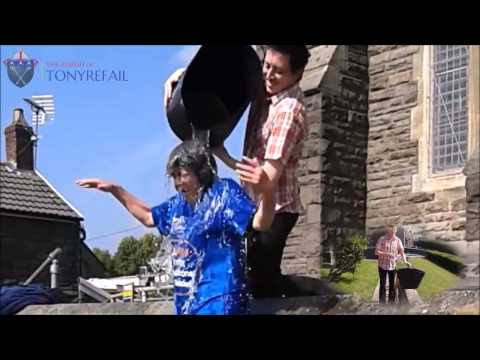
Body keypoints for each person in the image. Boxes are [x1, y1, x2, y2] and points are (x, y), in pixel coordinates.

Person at [164, 45, 311, 298]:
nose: (268, 75)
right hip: (254, 202)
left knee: (262, 283)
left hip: (277, 208)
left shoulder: (289, 112)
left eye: (278, 71)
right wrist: (178, 77)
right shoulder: (266, 89)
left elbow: (266, 178)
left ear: (296, 75)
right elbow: (221, 74)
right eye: (266, 65)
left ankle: (323, 298)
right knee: (250, 277)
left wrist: (228, 159)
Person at [76, 140, 275, 315]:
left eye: (182, 175)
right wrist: (115, 190)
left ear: (201, 173)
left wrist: (267, 190)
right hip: (189, 303)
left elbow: (260, 223)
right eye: (174, 176)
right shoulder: (177, 204)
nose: (177, 182)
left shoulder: (225, 193)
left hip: (220, 300)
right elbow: (147, 216)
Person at [375, 224, 411, 304]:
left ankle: (391, 304)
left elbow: (402, 252)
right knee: (383, 285)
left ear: (395, 231)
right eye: (391, 231)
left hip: (392, 266)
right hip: (382, 266)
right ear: (388, 230)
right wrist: (388, 254)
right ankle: (382, 305)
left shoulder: (397, 240)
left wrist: (405, 261)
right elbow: (376, 252)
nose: (392, 233)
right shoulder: (382, 239)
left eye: (394, 231)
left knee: (392, 286)